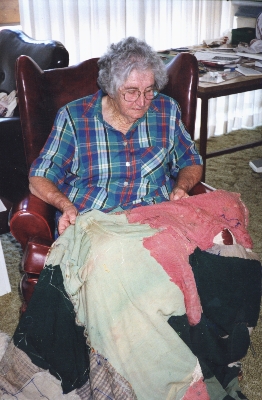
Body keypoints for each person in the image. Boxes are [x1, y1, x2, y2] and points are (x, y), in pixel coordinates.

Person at [29, 36, 203, 237]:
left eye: (149, 91)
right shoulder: (74, 117)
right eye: (131, 92)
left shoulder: (167, 110)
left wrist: (181, 187)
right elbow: (40, 177)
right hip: (97, 222)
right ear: (110, 88)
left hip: (156, 218)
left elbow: (190, 160)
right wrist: (65, 206)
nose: (142, 101)